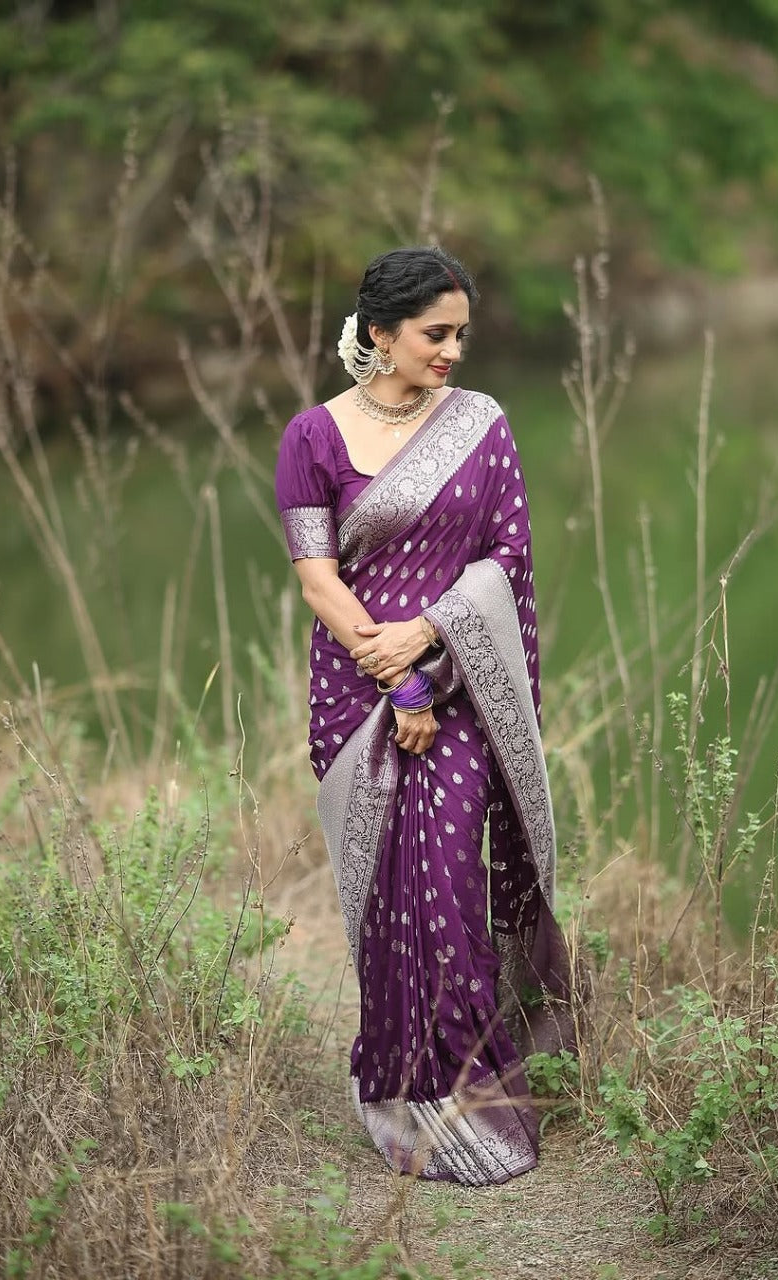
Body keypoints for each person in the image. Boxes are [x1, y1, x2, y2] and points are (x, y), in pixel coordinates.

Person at [274, 246, 582, 1185]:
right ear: (381, 334)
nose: (452, 351)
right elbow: (317, 578)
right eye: (434, 334)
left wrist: (430, 640)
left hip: (461, 684)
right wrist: (394, 676)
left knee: (449, 886)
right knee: (385, 900)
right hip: (359, 696)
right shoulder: (313, 438)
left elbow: (507, 560)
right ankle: (399, 1089)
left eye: (460, 335)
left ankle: (467, 1098)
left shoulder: (481, 425)